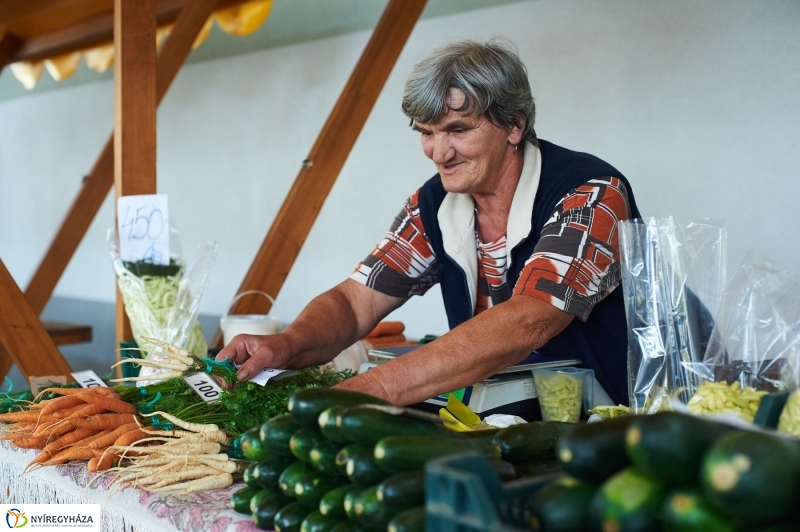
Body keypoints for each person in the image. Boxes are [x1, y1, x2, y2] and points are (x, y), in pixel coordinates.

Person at [217, 39, 641, 407]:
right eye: (427, 132)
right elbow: (356, 301)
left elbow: (529, 321)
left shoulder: (590, 192)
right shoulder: (434, 203)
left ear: (515, 125)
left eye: (458, 130)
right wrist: (287, 344)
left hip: (607, 422)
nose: (439, 153)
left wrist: (373, 388)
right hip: (499, 421)